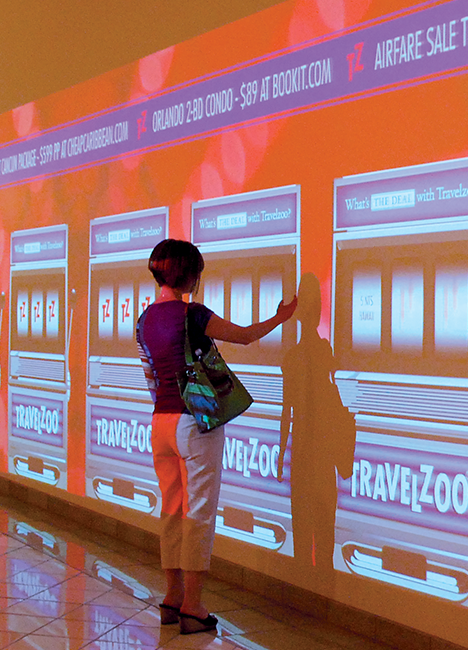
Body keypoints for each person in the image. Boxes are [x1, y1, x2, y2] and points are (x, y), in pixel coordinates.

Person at [135, 239, 296, 635]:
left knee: (171, 510)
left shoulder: (143, 319)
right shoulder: (192, 314)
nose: (199, 279)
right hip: (196, 423)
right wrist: (281, 317)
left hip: (161, 422)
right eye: (197, 273)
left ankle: (171, 597)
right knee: (200, 513)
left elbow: (151, 377)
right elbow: (243, 336)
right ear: (186, 274)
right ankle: (194, 605)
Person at [277, 273, 356, 593]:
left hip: (303, 452)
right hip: (322, 451)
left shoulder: (291, 358)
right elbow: (336, 401)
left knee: (302, 526)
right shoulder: (325, 353)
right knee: (324, 528)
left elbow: (287, 411)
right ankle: (325, 590)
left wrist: (282, 449)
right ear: (320, 309)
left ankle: (302, 591)